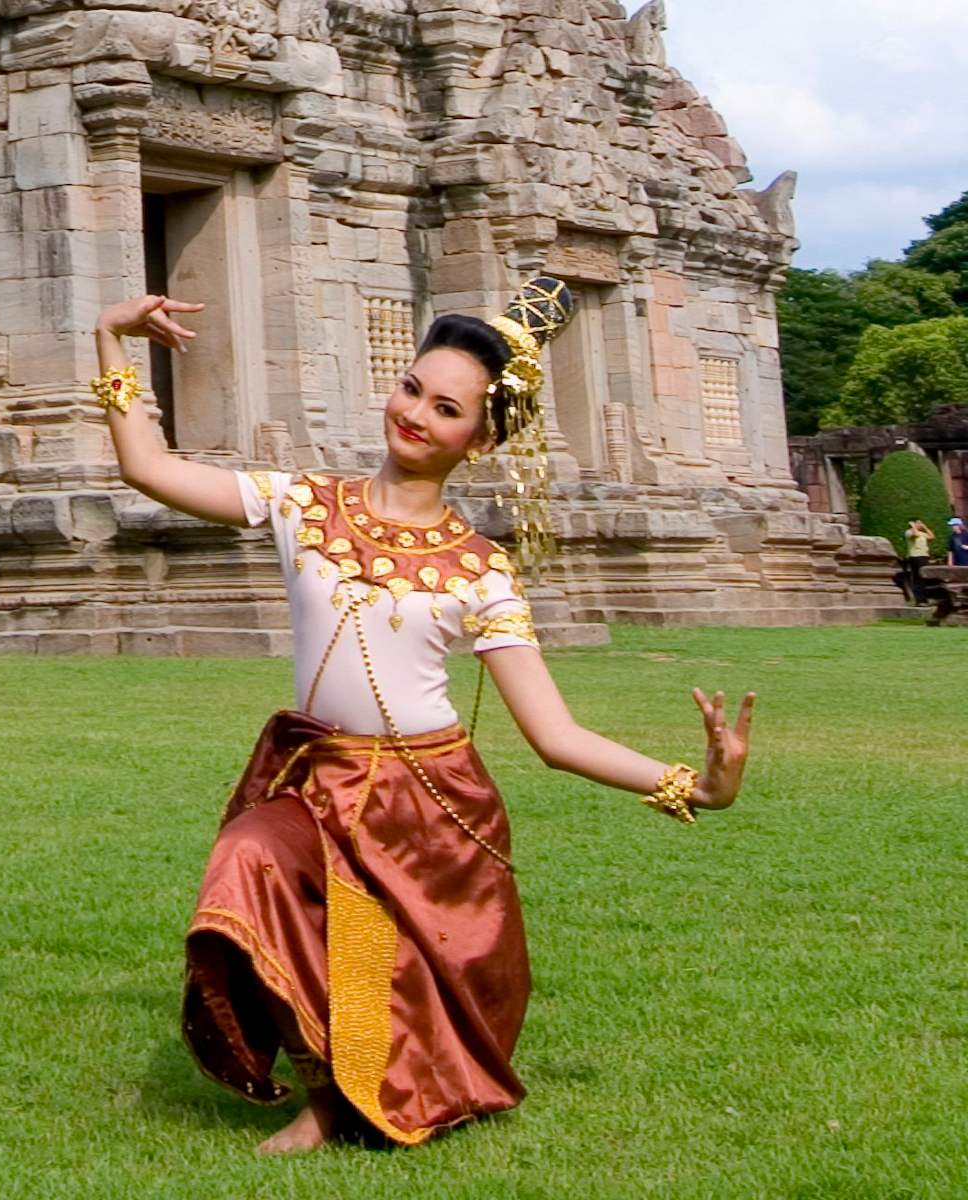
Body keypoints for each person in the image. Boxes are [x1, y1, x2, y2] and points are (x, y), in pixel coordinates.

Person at [81, 279, 757, 1152]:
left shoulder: (480, 570)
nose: (415, 414)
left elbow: (554, 738)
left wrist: (694, 786)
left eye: (446, 408)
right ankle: (328, 1086)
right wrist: (110, 337)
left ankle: (338, 1105)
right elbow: (150, 468)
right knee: (247, 862)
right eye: (411, 388)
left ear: (477, 439)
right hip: (319, 776)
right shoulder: (305, 505)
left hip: (428, 800)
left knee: (383, 965)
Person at [901, 518, 933, 605]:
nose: (921, 524)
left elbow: (931, 537)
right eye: (919, 523)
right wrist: (912, 526)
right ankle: (920, 600)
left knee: (925, 578)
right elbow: (914, 535)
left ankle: (925, 599)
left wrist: (925, 528)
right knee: (918, 578)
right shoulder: (909, 532)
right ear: (914, 523)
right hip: (915, 557)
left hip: (924, 556)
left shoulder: (922, 533)